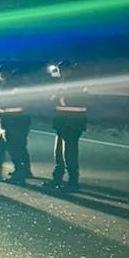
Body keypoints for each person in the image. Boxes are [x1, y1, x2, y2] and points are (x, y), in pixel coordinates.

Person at [0, 64, 33, 183]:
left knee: (12, 148)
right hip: (22, 121)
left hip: (11, 122)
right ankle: (24, 170)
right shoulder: (22, 84)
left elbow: (1, 105)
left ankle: (18, 174)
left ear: (5, 73)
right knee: (18, 146)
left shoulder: (7, 85)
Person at [49, 61, 87, 191]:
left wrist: (57, 98)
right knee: (59, 152)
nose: (61, 73)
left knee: (69, 153)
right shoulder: (63, 83)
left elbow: (69, 100)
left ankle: (73, 182)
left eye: (63, 70)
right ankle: (57, 178)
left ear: (69, 70)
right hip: (63, 122)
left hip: (72, 123)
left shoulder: (76, 83)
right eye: (59, 70)